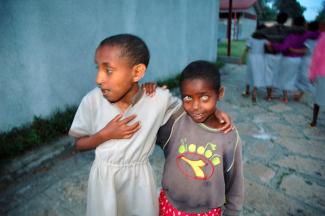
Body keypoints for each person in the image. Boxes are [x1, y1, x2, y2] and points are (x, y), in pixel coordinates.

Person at [69, 34, 232, 216]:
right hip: (103, 181)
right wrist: (104, 135)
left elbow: (191, 108)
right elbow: (77, 144)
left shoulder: (157, 100)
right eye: (97, 68)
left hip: (139, 183)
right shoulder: (92, 101)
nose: (98, 79)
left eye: (108, 70)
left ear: (137, 72)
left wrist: (213, 111)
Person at [155, 61, 244, 216]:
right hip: (171, 206)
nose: (195, 106)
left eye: (204, 97)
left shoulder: (228, 135)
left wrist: (233, 211)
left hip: (207, 212)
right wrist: (153, 94)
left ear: (220, 93)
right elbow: (145, 118)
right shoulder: (175, 120)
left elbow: (235, 179)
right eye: (188, 98)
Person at [267, 16, 307, 103]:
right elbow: (305, 48)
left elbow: (284, 47)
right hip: (298, 60)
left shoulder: (290, 34)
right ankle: (285, 96)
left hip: (288, 58)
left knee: (282, 76)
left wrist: (273, 45)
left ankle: (282, 97)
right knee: (290, 77)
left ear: (293, 23)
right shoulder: (304, 34)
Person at [258, 12, 292, 100]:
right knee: (281, 75)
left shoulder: (270, 29)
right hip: (281, 56)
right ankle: (285, 97)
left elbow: (266, 43)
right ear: (285, 20)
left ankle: (269, 96)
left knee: (268, 75)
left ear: (277, 18)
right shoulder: (288, 30)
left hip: (270, 55)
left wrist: (272, 50)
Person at [293, 21, 321, 101]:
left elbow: (304, 51)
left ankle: (301, 94)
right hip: (317, 59)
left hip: (307, 59)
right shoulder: (320, 37)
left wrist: (293, 50)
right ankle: (302, 93)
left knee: (303, 76)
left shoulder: (308, 38)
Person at [240, 25, 267, 102]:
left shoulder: (251, 38)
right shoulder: (265, 40)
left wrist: (242, 58)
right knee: (258, 74)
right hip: (261, 58)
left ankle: (247, 90)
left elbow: (246, 49)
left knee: (249, 73)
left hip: (252, 58)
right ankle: (254, 92)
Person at [309, 32, 325, 127]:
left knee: (318, 98)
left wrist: (312, 75)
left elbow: (316, 57)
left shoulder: (323, 38)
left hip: (322, 72)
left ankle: (314, 121)